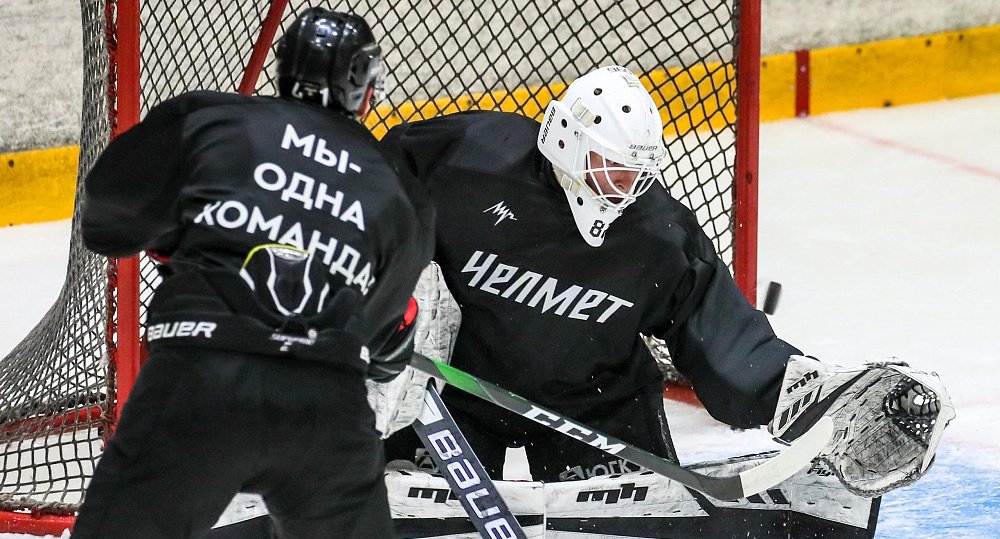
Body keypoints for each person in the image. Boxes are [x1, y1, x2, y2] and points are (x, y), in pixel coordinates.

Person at [377, 66, 953, 495]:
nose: (628, 186)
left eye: (637, 171)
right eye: (614, 167)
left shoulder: (655, 233)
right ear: (568, 144)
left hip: (594, 409)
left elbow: (724, 340)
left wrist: (813, 400)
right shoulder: (468, 162)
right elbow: (375, 188)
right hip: (451, 395)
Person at [61, 9, 432, 539]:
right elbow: (380, 341)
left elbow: (106, 220)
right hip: (327, 413)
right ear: (366, 89)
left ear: (283, 69)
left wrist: (183, 235)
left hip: (199, 384)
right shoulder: (400, 187)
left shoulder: (208, 120)